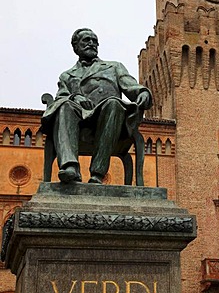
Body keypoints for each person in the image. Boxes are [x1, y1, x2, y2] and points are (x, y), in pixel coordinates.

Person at [41, 28, 152, 184]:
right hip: (80, 118)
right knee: (64, 106)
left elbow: (131, 85)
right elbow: (61, 96)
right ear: (76, 47)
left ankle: (98, 173)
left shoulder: (114, 67)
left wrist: (143, 93)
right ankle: (70, 167)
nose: (92, 44)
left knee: (114, 103)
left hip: (109, 117)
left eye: (95, 41)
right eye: (86, 40)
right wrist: (75, 97)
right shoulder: (67, 75)